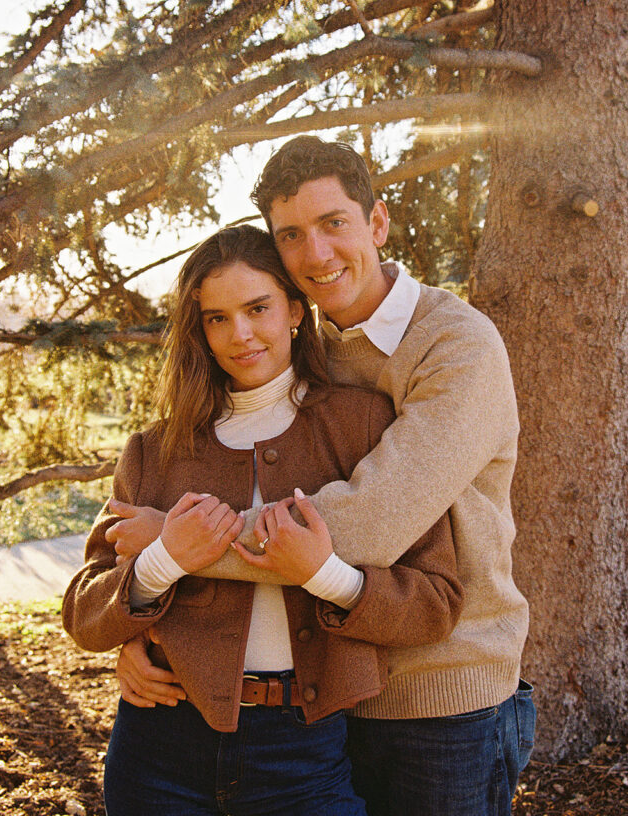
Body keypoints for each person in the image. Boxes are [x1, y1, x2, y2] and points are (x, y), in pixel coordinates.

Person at [110, 136, 535, 816]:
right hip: (331, 698)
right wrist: (144, 628)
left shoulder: (457, 345)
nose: (315, 254)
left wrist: (176, 545)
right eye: (291, 235)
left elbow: (369, 522)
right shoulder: (307, 350)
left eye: (333, 223)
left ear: (377, 222)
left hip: (440, 697)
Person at [62, 223, 464, 816]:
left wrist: (325, 574)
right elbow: (85, 617)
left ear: (297, 310)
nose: (240, 335)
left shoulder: (361, 426)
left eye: (258, 308)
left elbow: (435, 601)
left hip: (304, 749)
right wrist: (164, 560)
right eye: (216, 318)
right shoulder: (154, 450)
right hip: (158, 749)